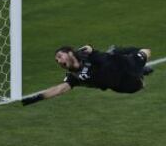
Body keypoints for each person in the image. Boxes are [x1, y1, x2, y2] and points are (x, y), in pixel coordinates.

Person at [22, 45, 153, 106]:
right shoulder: (74, 77)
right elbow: (59, 89)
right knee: (141, 85)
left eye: (60, 56)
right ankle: (141, 71)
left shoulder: (85, 55)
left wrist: (90, 49)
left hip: (123, 64)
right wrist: (35, 98)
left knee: (145, 51)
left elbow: (90, 50)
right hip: (120, 84)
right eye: (57, 61)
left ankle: (130, 60)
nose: (59, 61)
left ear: (70, 52)